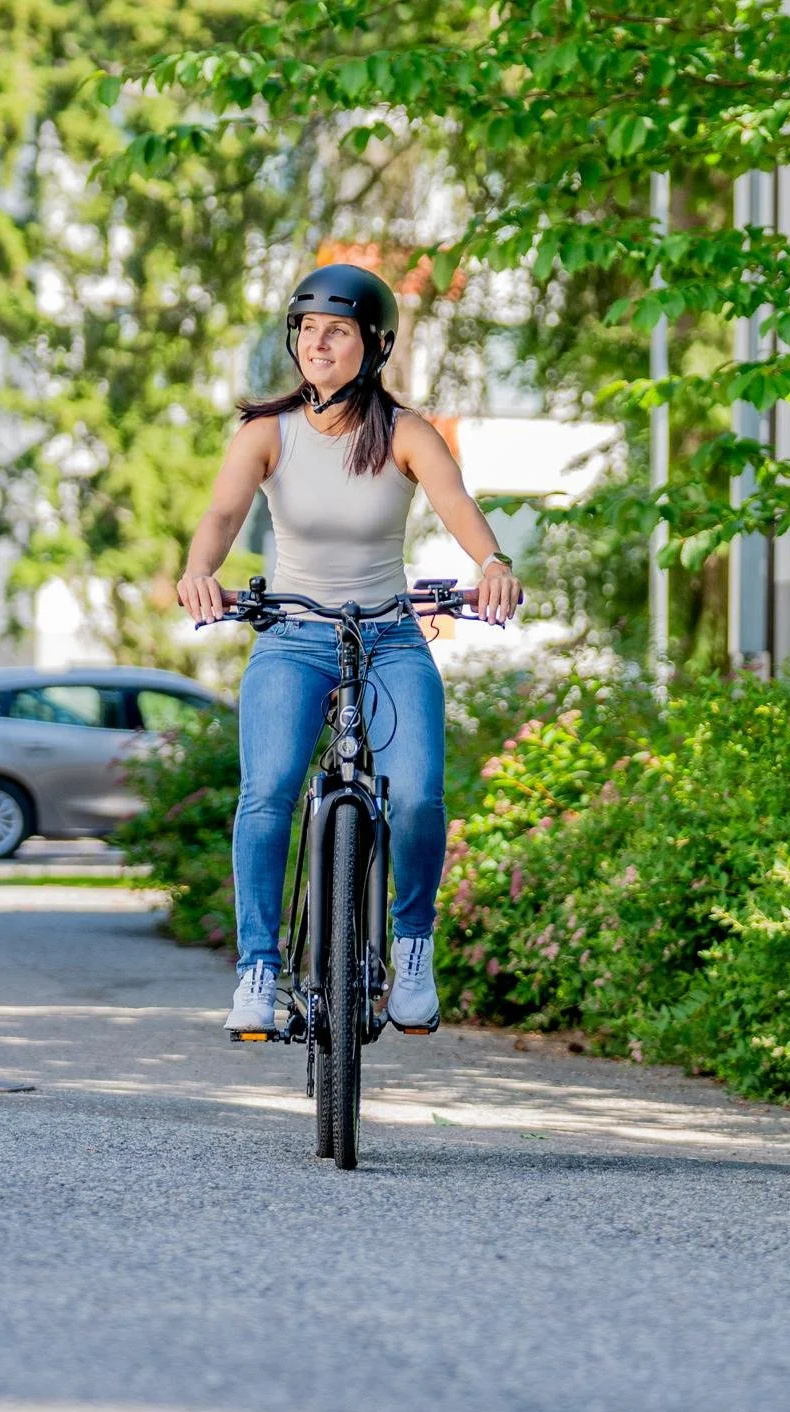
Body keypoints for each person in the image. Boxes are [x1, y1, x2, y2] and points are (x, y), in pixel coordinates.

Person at [177, 263, 522, 1034]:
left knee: (418, 794)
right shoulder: (267, 434)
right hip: (292, 639)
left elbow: (456, 504)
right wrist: (201, 573)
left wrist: (492, 565)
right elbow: (222, 515)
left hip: (391, 637)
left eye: (336, 330)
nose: (316, 343)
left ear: (373, 345)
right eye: (305, 329)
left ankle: (412, 949)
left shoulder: (406, 434)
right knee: (266, 793)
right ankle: (260, 972)